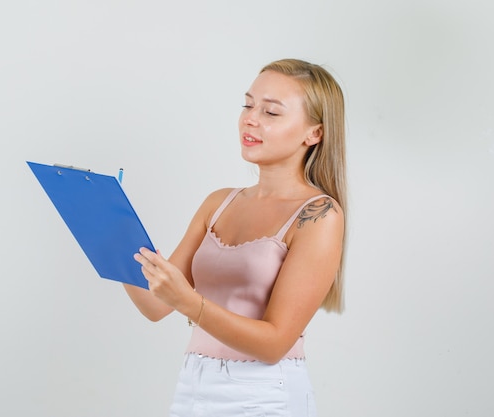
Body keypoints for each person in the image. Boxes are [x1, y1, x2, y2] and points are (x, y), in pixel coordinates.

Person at [126, 58, 347, 416]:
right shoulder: (219, 202)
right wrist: (106, 231)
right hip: (192, 387)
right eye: (248, 105)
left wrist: (191, 303)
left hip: (264, 394)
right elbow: (155, 305)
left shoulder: (319, 215)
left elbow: (274, 344)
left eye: (271, 112)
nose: (250, 118)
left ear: (314, 133)